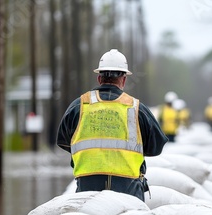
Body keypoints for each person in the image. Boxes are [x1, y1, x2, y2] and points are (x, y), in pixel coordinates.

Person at [56, 49, 168, 202]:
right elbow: (156, 147)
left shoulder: (79, 106)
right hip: (128, 188)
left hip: (87, 187)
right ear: (123, 80)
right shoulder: (136, 108)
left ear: (99, 78)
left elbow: (63, 141)